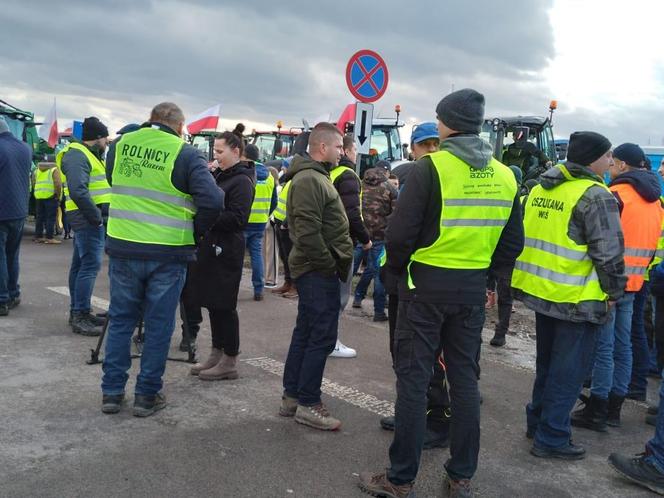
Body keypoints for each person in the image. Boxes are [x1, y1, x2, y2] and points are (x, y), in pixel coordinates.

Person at [359, 89, 524, 498]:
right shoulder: (506, 175)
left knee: (414, 382)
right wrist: (487, 280)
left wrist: (397, 272)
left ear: (448, 123)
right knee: (465, 381)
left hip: (424, 288)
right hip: (469, 292)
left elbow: (399, 236)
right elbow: (511, 242)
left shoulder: (431, 168)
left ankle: (401, 479)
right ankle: (461, 476)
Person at [101, 102, 223, 416]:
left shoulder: (120, 145)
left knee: (121, 321)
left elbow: (116, 181)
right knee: (158, 326)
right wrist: (193, 232)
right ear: (180, 127)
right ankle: (146, 396)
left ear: (150, 120)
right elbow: (211, 200)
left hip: (124, 245)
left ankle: (112, 394)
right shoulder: (184, 153)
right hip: (168, 252)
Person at [512, 131, 626, 460]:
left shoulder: (541, 187)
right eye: (607, 155)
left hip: (541, 290)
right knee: (569, 371)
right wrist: (615, 291)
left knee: (548, 365)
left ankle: (538, 422)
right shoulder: (595, 195)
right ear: (593, 158)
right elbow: (608, 255)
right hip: (576, 298)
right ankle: (552, 436)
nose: (610, 161)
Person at [571, 143, 662, 431]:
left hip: (608, 285)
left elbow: (601, 242)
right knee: (624, 346)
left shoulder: (615, 196)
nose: (609, 168)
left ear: (622, 166)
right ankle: (614, 408)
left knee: (603, 348)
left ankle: (597, 407)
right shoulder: (656, 201)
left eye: (613, 164)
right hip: (636, 283)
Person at [280, 122, 353, 430]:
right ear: (323, 148)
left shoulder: (314, 176)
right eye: (338, 147)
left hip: (315, 268)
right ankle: (309, 402)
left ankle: (294, 396)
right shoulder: (311, 179)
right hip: (316, 270)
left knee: (307, 332)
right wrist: (328, 264)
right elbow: (308, 232)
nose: (342, 152)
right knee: (320, 336)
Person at [188, 128, 255, 381]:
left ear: (236, 151)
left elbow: (238, 218)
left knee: (225, 305)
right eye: (214, 151)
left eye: (219, 151)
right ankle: (216, 354)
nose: (215, 156)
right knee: (213, 303)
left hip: (226, 250)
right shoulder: (221, 175)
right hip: (212, 247)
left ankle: (230, 359)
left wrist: (206, 216)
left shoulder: (241, 181)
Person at [57, 117, 111, 337]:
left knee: (80, 266)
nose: (107, 142)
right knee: (89, 266)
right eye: (105, 137)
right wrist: (96, 217)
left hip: (86, 218)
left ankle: (79, 311)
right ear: (97, 137)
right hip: (87, 219)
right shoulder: (78, 154)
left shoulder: (85, 154)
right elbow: (79, 191)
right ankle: (79, 314)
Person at [328, 134, 372, 358]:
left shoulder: (329, 172)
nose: (356, 153)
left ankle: (324, 339)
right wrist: (365, 239)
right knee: (340, 295)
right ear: (345, 151)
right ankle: (331, 342)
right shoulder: (348, 176)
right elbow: (352, 213)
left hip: (326, 242)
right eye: (353, 149)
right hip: (342, 242)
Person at [353, 161, 397, 322]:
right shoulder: (390, 189)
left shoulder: (359, 183)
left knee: (349, 269)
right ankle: (379, 312)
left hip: (360, 234)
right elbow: (396, 214)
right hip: (380, 237)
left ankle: (340, 301)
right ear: (386, 172)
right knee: (379, 274)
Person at [488, 165, 523, 347]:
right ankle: (500, 332)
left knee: (498, 295)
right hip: (505, 257)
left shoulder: (496, 194)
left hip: (494, 254)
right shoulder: (518, 198)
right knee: (504, 297)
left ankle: (499, 332)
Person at [0, 116, 31, 316]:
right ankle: (13, 293)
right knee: (12, 254)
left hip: (1, 211)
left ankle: (1, 299)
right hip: (19, 211)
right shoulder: (24, 148)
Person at [243, 144, 277, 301]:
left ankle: (231, 287)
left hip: (244, 221)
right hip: (260, 222)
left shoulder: (245, 172)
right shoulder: (270, 176)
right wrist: (265, 215)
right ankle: (258, 289)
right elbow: (274, 202)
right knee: (257, 255)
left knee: (236, 256)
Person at [391, 122, 440, 188]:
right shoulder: (399, 175)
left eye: (437, 144)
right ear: (412, 149)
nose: (432, 149)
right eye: (425, 144)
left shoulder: (453, 174)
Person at [32, 161, 63, 244]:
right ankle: (49, 237)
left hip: (39, 196)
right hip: (51, 196)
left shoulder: (37, 170)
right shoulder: (54, 170)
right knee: (50, 218)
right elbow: (58, 184)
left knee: (39, 217)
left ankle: (38, 236)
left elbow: (33, 182)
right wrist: (58, 195)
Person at [263, 166, 280, 288]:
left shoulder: (276, 188)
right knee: (270, 251)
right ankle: (269, 278)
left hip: (268, 221)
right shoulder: (277, 188)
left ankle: (270, 278)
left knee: (268, 251)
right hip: (270, 221)